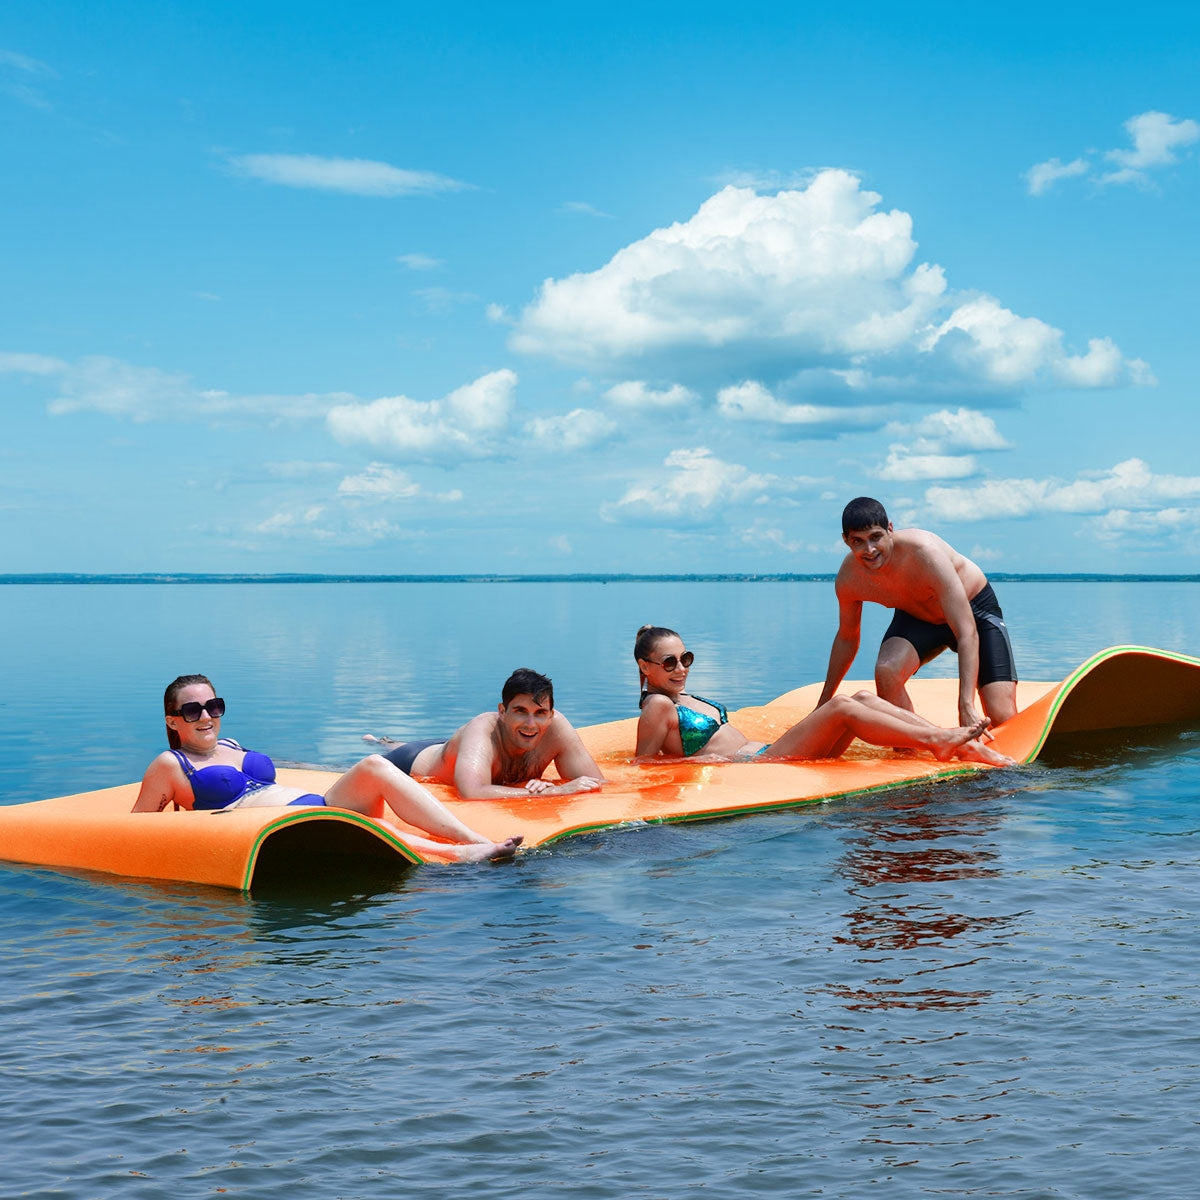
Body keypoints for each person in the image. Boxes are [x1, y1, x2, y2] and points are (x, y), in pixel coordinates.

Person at [134, 674, 522, 863]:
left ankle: (470, 837)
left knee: (374, 763)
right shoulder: (171, 764)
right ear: (172, 721)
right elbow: (137, 828)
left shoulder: (231, 745)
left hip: (316, 804)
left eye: (213, 706)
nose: (206, 716)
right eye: (192, 710)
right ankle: (459, 856)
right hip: (280, 828)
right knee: (376, 824)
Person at [634, 626, 1013, 766]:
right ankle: (939, 742)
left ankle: (956, 743)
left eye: (685, 658)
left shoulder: (680, 696)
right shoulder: (658, 705)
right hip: (762, 763)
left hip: (767, 750)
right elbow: (643, 765)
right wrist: (704, 764)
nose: (681, 669)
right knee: (843, 706)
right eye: (669, 663)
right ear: (645, 667)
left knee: (862, 695)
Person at [818, 497, 1019, 730]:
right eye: (858, 541)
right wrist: (823, 704)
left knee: (1002, 717)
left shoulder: (924, 552)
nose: (870, 550)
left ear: (890, 529)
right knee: (886, 670)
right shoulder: (849, 579)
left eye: (876, 537)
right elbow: (847, 638)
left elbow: (966, 632)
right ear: (846, 541)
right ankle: (911, 749)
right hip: (917, 617)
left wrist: (966, 705)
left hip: (975, 613)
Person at [367, 668, 605, 800]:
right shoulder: (483, 730)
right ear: (502, 712)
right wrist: (553, 791)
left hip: (459, 752)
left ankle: (386, 740)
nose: (531, 724)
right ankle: (378, 741)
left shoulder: (557, 728)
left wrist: (557, 786)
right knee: (381, 755)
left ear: (551, 714)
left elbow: (596, 783)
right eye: (520, 711)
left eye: (540, 713)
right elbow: (470, 792)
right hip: (412, 761)